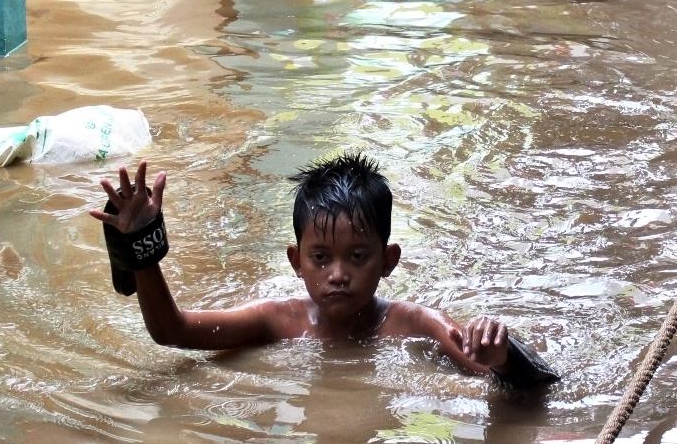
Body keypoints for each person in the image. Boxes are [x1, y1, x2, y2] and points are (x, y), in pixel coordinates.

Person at [89, 151, 558, 386]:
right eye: (320, 257)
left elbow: (519, 377)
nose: (338, 273)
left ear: (387, 261)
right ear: (296, 262)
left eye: (358, 256)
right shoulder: (277, 321)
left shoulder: (414, 324)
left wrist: (502, 355)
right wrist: (141, 249)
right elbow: (173, 331)